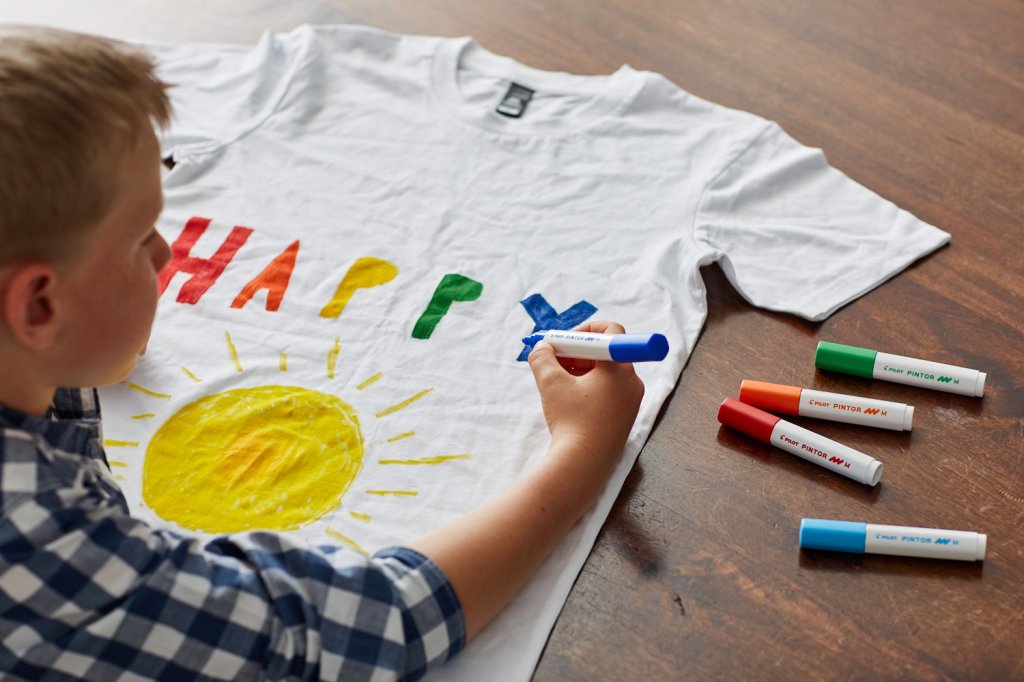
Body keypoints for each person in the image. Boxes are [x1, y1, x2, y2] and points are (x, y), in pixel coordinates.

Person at [0, 26, 644, 681]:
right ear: (37, 308)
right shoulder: (45, 546)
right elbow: (371, 629)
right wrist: (582, 455)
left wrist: (82, 339)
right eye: (141, 240)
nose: (168, 256)